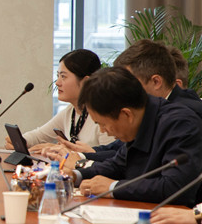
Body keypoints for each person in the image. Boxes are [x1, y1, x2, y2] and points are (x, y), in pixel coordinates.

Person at [48, 40, 202, 162]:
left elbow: (165, 177)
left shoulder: (186, 114)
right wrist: (84, 154)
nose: (122, 89)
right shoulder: (152, 109)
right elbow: (121, 149)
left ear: (156, 82)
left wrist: (85, 160)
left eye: (129, 82)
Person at [69, 67, 202, 208]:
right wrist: (75, 176)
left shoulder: (180, 125)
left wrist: (114, 187)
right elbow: (117, 165)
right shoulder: (141, 118)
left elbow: (175, 188)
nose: (103, 130)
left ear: (126, 114)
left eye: (103, 124)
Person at [5, 49, 114, 155]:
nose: (57, 83)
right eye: (58, 76)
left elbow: (110, 158)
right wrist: (19, 141)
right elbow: (39, 136)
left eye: (63, 76)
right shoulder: (71, 111)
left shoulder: (104, 115)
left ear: (86, 82)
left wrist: (60, 149)